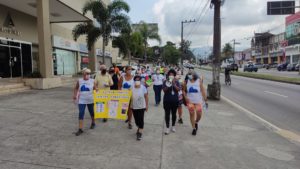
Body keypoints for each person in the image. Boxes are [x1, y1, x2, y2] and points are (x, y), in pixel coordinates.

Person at [183, 70, 208, 136]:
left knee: (199, 113)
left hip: (198, 101)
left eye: (191, 74)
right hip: (190, 101)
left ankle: (196, 122)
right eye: (188, 74)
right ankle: (194, 128)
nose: (190, 76)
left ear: (194, 75)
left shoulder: (199, 81)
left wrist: (205, 100)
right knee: (191, 113)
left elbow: (203, 91)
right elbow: (184, 91)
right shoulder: (186, 82)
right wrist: (185, 97)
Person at [73, 68, 95, 136]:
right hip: (82, 100)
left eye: (89, 73)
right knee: (81, 113)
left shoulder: (92, 80)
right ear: (83, 74)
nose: (88, 75)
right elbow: (76, 88)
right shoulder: (79, 81)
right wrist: (74, 95)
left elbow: (96, 88)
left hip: (90, 99)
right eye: (87, 73)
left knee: (92, 112)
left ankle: (93, 122)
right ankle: (80, 129)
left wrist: (97, 89)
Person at [163, 69, 180, 135]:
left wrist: (174, 84)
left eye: (172, 75)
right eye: (170, 74)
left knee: (174, 114)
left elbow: (178, 89)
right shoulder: (165, 81)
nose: (171, 76)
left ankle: (173, 126)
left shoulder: (177, 81)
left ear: (174, 75)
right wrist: (168, 85)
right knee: (167, 114)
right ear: (168, 75)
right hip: (167, 100)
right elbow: (164, 90)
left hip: (175, 100)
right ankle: (167, 127)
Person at [131, 75, 149, 140]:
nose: (137, 81)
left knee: (141, 119)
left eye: (138, 80)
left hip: (142, 106)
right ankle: (139, 127)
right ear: (134, 81)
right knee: (136, 120)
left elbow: (146, 97)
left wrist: (146, 106)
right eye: (136, 80)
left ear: (140, 81)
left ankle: (140, 133)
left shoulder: (143, 87)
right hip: (134, 106)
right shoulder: (131, 87)